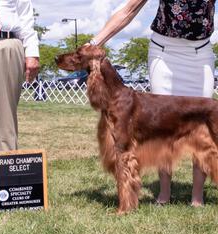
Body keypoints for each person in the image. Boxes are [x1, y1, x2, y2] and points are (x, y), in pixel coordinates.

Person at [88, 0, 216, 207]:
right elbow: (129, 10)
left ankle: (197, 197)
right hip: (164, 54)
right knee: (161, 122)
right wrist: (95, 42)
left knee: (202, 124)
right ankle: (164, 194)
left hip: (200, 55)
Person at [0, 0, 39, 151]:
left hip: (10, 42)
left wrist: (32, 52)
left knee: (6, 120)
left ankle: (5, 170)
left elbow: (26, 17)